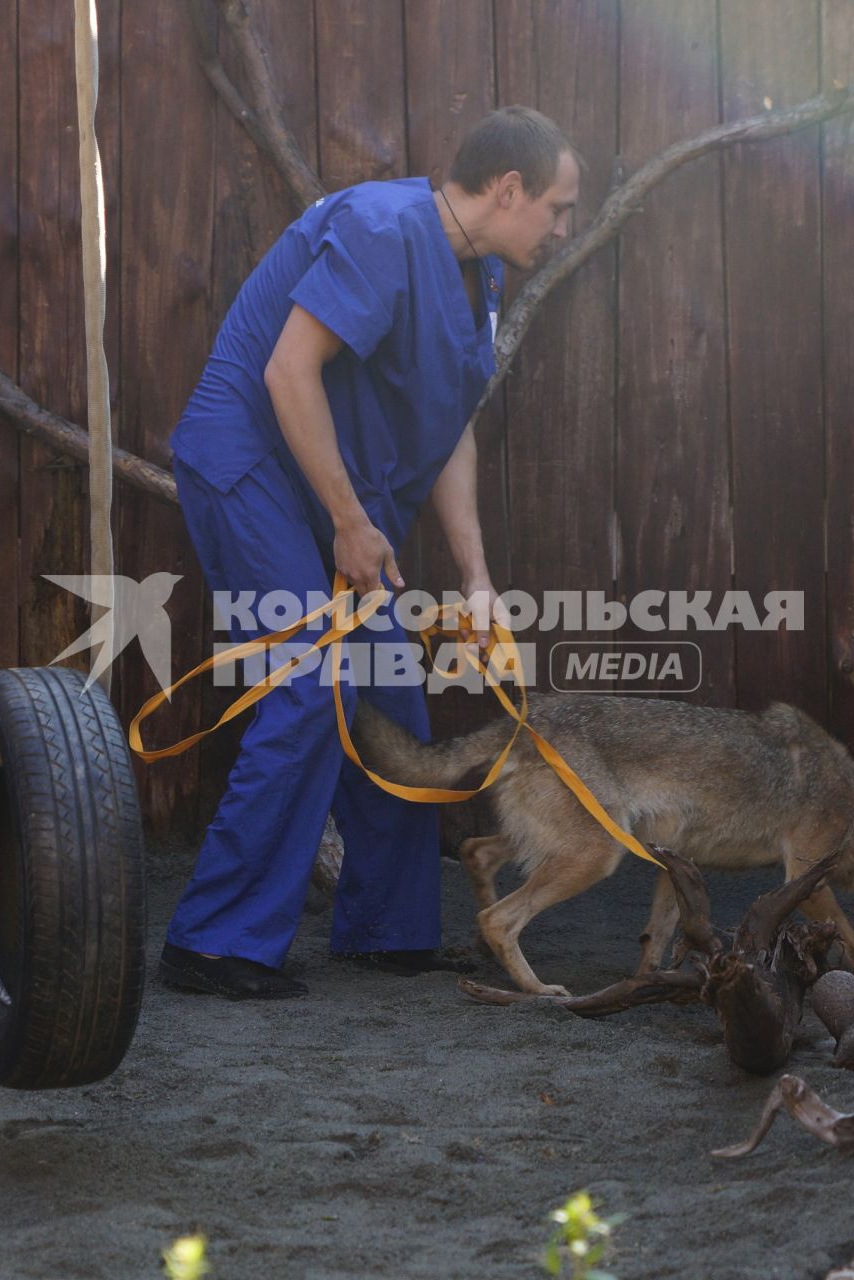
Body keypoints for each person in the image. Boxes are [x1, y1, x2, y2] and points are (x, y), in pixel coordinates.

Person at [159, 107, 582, 999]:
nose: (562, 227)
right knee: (311, 684)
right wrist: (351, 522)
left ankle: (384, 930)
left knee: (392, 688)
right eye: (557, 206)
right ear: (507, 190)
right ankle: (214, 941)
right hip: (252, 460)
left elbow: (450, 430)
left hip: (334, 487)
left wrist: (475, 579)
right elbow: (287, 373)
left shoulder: (486, 274)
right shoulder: (382, 227)